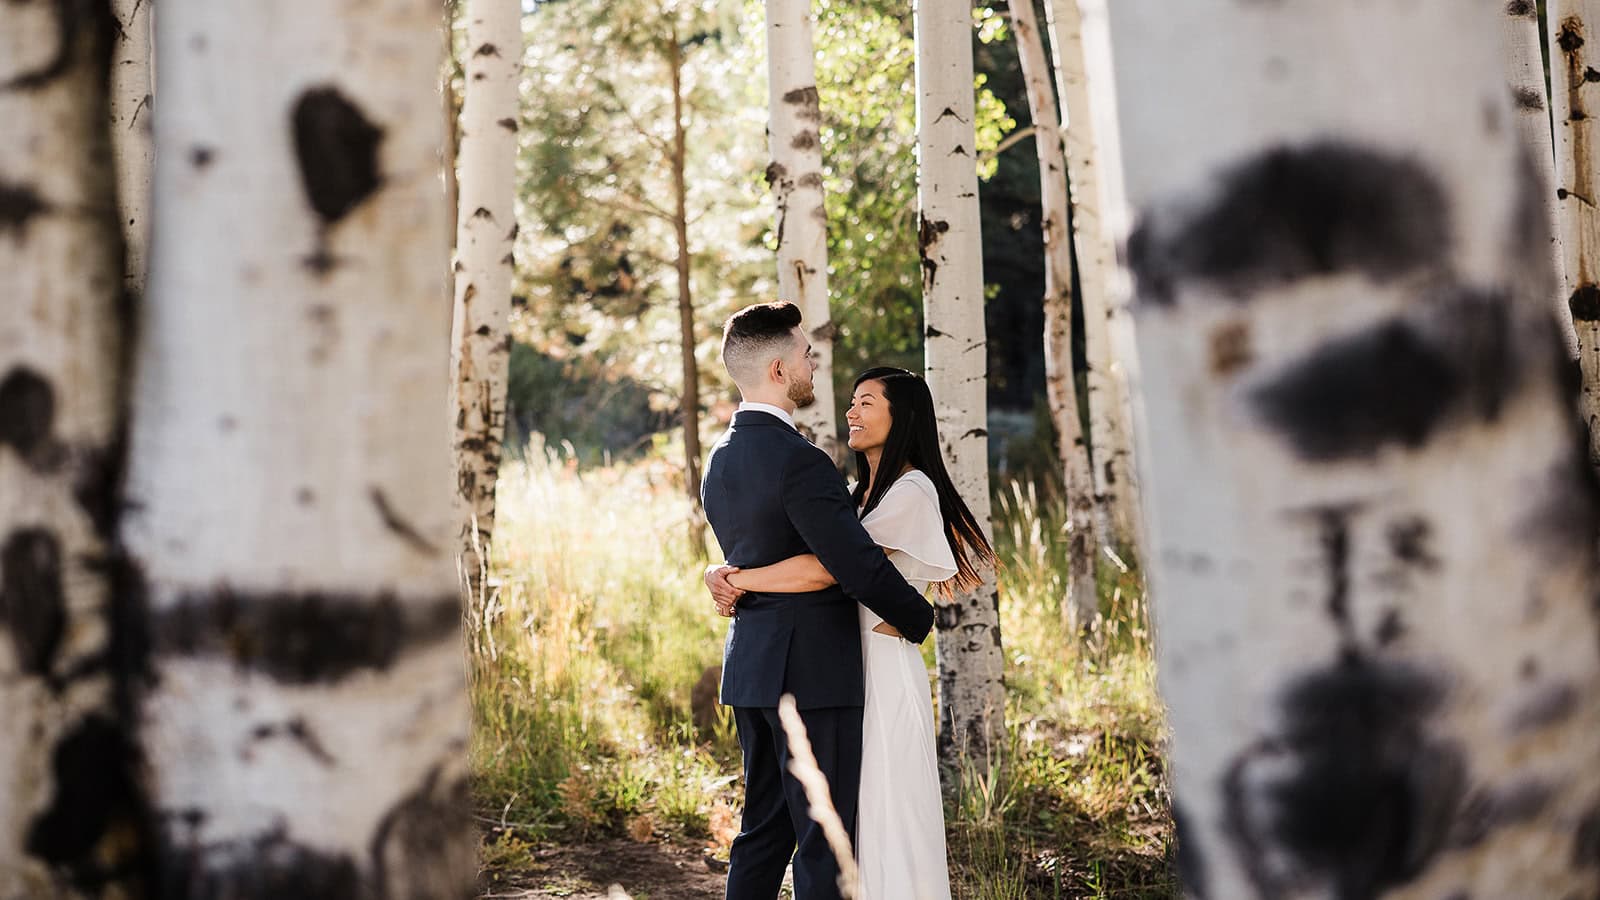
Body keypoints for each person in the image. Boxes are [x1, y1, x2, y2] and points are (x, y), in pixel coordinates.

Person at [707, 366, 997, 900]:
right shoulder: (856, 495)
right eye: (852, 401)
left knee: (880, 814)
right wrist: (722, 573)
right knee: (840, 820)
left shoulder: (911, 491)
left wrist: (732, 578)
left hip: (879, 670)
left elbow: (829, 568)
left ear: (901, 416)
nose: (851, 412)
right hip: (841, 662)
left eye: (867, 402)